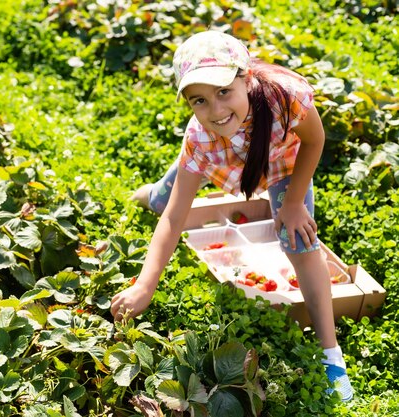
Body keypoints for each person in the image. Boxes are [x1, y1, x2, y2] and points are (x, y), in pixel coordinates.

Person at [110, 30, 354, 402]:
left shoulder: (285, 97)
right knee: (166, 201)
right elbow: (176, 219)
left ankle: (331, 356)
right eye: (199, 100)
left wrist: (291, 204)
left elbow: (315, 140)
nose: (216, 110)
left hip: (283, 164)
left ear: (246, 77)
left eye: (223, 91)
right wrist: (145, 284)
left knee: (299, 240)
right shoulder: (200, 138)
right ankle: (152, 194)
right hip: (222, 156)